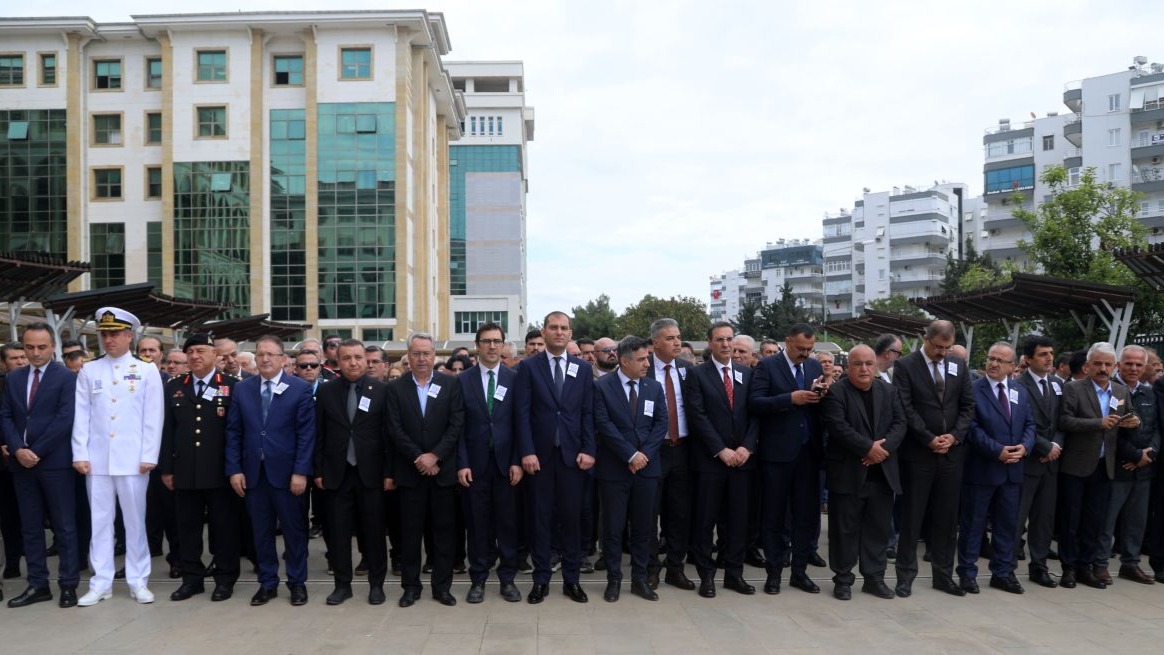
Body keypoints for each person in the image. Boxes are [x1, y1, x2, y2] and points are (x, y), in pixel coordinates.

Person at [72, 307, 165, 606]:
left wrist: (149, 454)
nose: (108, 340)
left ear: (129, 336)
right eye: (104, 335)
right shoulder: (89, 369)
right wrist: (80, 453)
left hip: (133, 459)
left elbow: (153, 416)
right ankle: (101, 582)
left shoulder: (146, 369)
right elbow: (82, 415)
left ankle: (139, 580)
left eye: (114, 334)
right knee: (100, 522)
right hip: (97, 459)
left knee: (135, 522)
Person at [225, 335, 316, 607]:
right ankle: (267, 582)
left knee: (294, 532)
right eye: (260, 354)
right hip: (253, 475)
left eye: (271, 354)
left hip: (288, 475)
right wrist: (234, 469)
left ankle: (297, 583)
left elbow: (306, 435)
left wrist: (301, 471)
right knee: (261, 532)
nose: (264, 359)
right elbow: (234, 432)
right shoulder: (243, 389)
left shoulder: (299, 388)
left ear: (283, 359)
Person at [514, 311, 595, 604]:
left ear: (570, 334)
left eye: (564, 328)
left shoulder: (582, 369)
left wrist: (589, 449)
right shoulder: (529, 368)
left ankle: (572, 580)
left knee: (571, 521)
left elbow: (588, 412)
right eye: (553, 327)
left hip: (574, 458)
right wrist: (526, 451)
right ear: (544, 332)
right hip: (540, 459)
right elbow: (521, 413)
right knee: (540, 521)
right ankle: (541, 581)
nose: (559, 332)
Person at [892, 319, 974, 598]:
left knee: (947, 519)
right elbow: (905, 407)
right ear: (925, 338)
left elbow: (967, 406)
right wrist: (928, 438)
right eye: (938, 347)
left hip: (951, 454)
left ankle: (943, 574)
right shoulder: (906, 366)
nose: (942, 352)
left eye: (947, 348)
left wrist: (954, 436)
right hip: (918, 454)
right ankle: (905, 576)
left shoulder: (958, 365)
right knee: (912, 517)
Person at [158, 333, 242, 602]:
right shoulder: (174, 387)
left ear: (215, 355)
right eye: (190, 351)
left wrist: (235, 469)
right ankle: (191, 579)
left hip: (219, 472)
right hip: (185, 472)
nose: (195, 356)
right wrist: (167, 469)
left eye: (201, 351)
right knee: (187, 529)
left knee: (224, 529)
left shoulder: (231, 385)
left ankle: (225, 579)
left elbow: (237, 432)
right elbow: (167, 431)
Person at [1, 323, 79, 608]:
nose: (35, 353)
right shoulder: (14, 378)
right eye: (29, 347)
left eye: (41, 347)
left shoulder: (66, 378)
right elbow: (6, 416)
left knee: (64, 527)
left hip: (55, 463)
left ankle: (68, 585)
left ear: (53, 346)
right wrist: (18, 450)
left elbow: (65, 419)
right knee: (30, 527)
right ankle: (37, 584)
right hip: (22, 465)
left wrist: (36, 450)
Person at [748, 323, 830, 595]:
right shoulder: (768, 366)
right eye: (800, 348)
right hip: (777, 455)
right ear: (787, 342)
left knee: (806, 516)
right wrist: (790, 399)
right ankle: (774, 573)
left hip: (808, 453)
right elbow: (756, 403)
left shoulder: (815, 367)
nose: (805, 354)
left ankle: (800, 572)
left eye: (809, 349)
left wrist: (822, 395)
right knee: (774, 515)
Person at [820, 344, 905, 601]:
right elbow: (838, 427)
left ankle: (874, 578)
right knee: (844, 530)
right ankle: (843, 579)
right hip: (848, 472)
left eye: (869, 363)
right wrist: (868, 448)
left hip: (882, 474)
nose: (865, 369)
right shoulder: (836, 392)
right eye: (858, 364)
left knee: (878, 529)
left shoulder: (889, 391)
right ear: (849, 367)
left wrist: (882, 450)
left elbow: (900, 424)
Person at [386, 333, 464, 608]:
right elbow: (394, 429)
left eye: (427, 353)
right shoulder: (395, 388)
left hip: (441, 473)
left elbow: (456, 425)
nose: (421, 359)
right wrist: (419, 457)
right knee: (410, 534)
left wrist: (435, 456)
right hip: (410, 472)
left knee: (443, 533)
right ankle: (411, 587)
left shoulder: (450, 384)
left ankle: (442, 587)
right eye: (416, 353)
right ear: (408, 355)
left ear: (434, 355)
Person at [313, 339, 391, 606]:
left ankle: (377, 585)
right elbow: (319, 434)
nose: (353, 363)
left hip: (372, 474)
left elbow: (388, 436)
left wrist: (388, 472)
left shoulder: (381, 391)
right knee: (337, 532)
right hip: (337, 472)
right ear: (338, 360)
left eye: (358, 357)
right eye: (347, 358)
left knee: (374, 532)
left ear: (366, 360)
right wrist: (319, 470)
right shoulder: (326, 392)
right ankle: (342, 585)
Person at [684, 321, 758, 598]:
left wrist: (747, 447)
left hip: (742, 461)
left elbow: (754, 414)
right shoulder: (697, 375)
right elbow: (697, 416)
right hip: (710, 462)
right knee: (706, 521)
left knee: (738, 521)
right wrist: (720, 449)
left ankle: (734, 574)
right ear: (710, 343)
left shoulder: (746, 374)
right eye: (720, 340)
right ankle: (707, 576)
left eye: (729, 339)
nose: (726, 345)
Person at [1058, 342, 1139, 590]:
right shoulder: (1073, 388)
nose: (1103, 368)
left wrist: (1133, 422)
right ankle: (1069, 568)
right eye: (1098, 363)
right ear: (1087, 365)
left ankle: (1086, 567)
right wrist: (1098, 423)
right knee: (1071, 520)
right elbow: (1065, 420)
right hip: (1076, 465)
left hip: (1106, 466)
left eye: (1107, 364)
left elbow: (1132, 417)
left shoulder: (1120, 392)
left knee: (1095, 521)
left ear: (1114, 367)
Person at [956, 342, 1035, 595]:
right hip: (982, 469)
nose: (994, 363)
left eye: (1001, 360)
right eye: (991, 358)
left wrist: (1025, 447)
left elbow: (1030, 424)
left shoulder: (1019, 391)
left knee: (1007, 525)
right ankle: (967, 573)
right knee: (973, 525)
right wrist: (997, 450)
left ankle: (1002, 573)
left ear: (1013, 366)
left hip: (1013, 471)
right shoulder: (973, 389)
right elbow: (971, 428)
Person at [593, 336, 667, 602]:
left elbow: (661, 424)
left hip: (647, 469)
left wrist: (644, 454)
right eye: (641, 359)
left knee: (644, 528)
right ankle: (614, 579)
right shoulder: (602, 387)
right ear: (624, 361)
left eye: (647, 358)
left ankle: (640, 579)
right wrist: (630, 454)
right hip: (614, 469)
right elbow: (603, 424)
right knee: (613, 528)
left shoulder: (653, 388)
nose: (647, 363)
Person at [458, 324, 525, 604]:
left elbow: (522, 424)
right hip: (474, 466)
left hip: (506, 466)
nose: (492, 346)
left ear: (504, 345)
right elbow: (457, 427)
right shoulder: (462, 381)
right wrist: (462, 463)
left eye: (497, 341)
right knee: (478, 526)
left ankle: (507, 579)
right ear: (477, 346)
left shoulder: (515, 379)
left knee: (508, 525)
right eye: (486, 341)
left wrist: (517, 462)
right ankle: (479, 579)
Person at [1100, 344, 1158, 584]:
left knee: (1137, 521)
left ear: (1145, 367)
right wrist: (1134, 455)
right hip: (1117, 467)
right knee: (1107, 520)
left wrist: (1149, 454)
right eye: (1129, 363)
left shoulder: (1149, 393)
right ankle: (1100, 563)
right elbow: (1111, 431)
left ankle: (1130, 564)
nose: (1133, 368)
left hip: (1143, 470)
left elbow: (1156, 428)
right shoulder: (1110, 391)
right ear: (1119, 365)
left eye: (1138, 364)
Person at [645, 318, 695, 592]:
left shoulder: (688, 370)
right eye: (670, 338)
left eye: (678, 337)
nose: (677, 342)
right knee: (650, 513)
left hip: (684, 449)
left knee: (679, 513)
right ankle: (651, 568)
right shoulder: (642, 370)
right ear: (655, 343)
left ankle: (675, 567)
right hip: (654, 451)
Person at [1012, 335, 1064, 589]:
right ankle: (1007, 567)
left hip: (1051, 463)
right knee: (1016, 518)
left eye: (1051, 353)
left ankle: (1039, 567)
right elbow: (1020, 423)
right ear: (1028, 358)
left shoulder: (1056, 384)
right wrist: (1044, 446)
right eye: (1043, 354)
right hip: (1028, 462)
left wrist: (1056, 445)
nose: (1049, 358)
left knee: (1044, 520)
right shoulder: (1018, 386)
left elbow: (1063, 419)